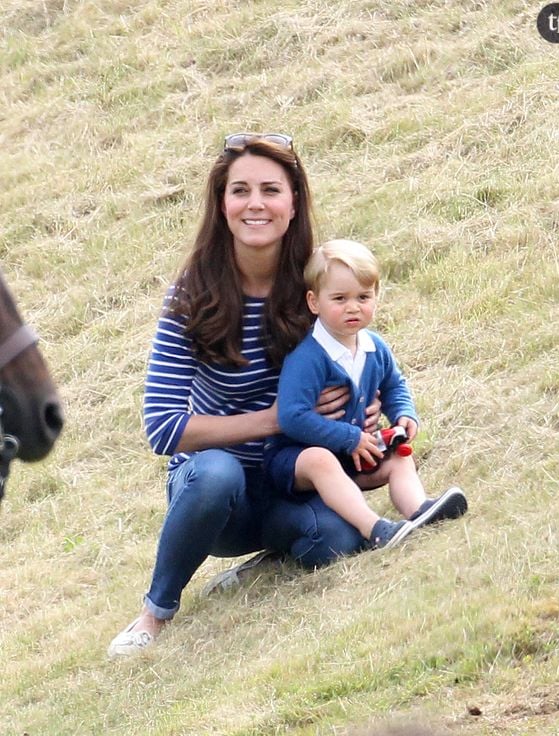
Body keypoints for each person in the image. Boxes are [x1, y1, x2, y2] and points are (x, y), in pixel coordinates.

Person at [108, 133, 382, 657]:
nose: (255, 204)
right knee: (216, 471)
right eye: (240, 191)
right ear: (222, 203)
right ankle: (155, 612)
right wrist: (279, 418)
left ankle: (264, 562)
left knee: (338, 543)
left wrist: (366, 405)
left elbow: (361, 362)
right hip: (216, 500)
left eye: (270, 190)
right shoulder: (192, 294)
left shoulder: (317, 286)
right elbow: (162, 427)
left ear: (294, 201)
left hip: (292, 484)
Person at [263, 240, 467, 550]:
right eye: (340, 298)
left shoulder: (374, 347)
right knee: (320, 459)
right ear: (314, 302)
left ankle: (419, 509)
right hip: (296, 461)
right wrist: (347, 436)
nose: (353, 307)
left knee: (398, 456)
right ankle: (375, 528)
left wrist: (403, 414)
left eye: (363, 297)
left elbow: (393, 385)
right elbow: (290, 417)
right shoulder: (307, 357)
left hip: (351, 454)